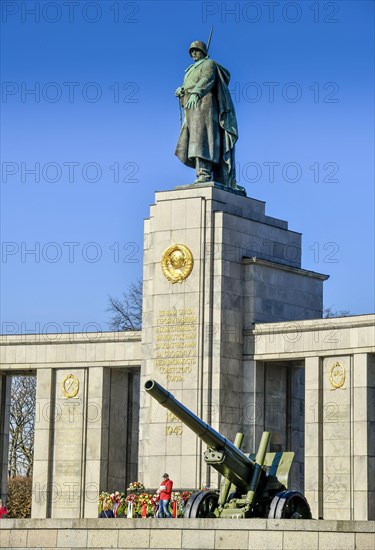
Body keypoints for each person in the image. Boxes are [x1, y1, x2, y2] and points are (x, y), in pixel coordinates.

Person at [175, 40, 240, 191]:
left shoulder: (208, 64)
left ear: (204, 51)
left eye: (196, 50)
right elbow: (189, 86)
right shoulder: (190, 69)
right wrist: (182, 91)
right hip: (191, 107)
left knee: (202, 138)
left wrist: (196, 92)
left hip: (205, 105)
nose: (194, 53)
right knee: (192, 139)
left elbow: (207, 79)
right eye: (192, 51)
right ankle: (201, 173)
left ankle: (204, 173)